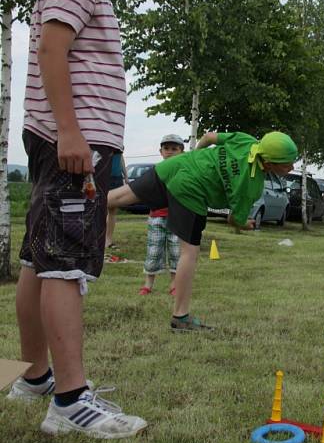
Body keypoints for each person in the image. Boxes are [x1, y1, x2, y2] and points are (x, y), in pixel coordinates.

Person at [8, 0, 147, 439]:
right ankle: (70, 400)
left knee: (39, 259)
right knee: (65, 262)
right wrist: (71, 130)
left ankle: (37, 376)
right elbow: (50, 49)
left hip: (74, 142)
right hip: (73, 144)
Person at [108, 131, 298, 331]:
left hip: (176, 165)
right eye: (287, 164)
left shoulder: (247, 140)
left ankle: (80, 205)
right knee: (189, 253)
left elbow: (208, 137)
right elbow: (234, 220)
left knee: (118, 197)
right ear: (268, 163)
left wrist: (193, 157)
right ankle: (180, 317)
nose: (292, 167)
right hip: (191, 191)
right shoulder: (252, 185)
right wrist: (246, 224)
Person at [139, 134, 184, 296]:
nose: (170, 152)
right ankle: (148, 284)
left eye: (174, 149)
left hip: (177, 218)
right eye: (166, 148)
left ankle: (174, 284)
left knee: (175, 252)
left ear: (181, 151)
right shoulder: (156, 171)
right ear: (160, 151)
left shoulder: (183, 171)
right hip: (156, 217)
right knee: (153, 251)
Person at [105, 152, 127, 248]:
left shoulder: (118, 140)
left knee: (112, 210)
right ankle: (98, 239)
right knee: (100, 209)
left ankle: (108, 240)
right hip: (104, 176)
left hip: (117, 177)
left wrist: (125, 175)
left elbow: (121, 157)